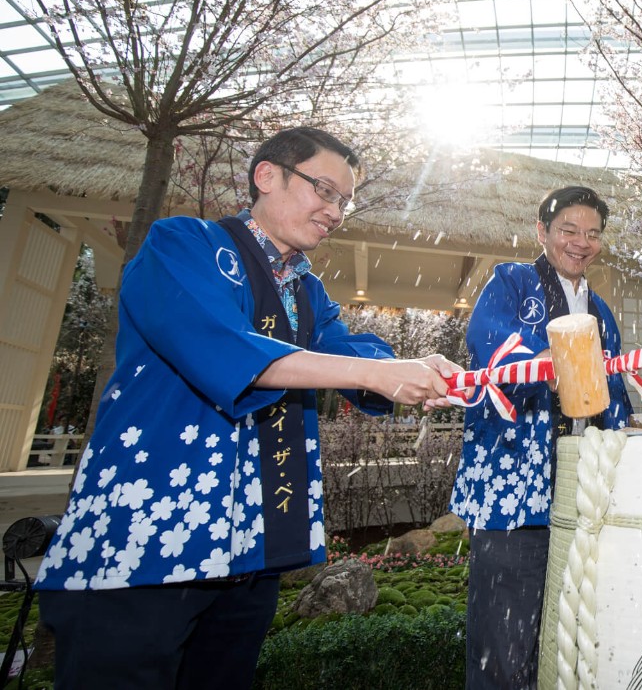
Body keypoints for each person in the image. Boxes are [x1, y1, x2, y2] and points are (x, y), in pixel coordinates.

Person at [34, 127, 461, 689]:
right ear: (267, 176)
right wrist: (374, 372)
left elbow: (352, 354)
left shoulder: (307, 293)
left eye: (344, 201)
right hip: (148, 537)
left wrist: (423, 366)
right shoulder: (181, 244)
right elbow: (226, 346)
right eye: (325, 190)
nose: (336, 211)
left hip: (251, 546)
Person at [449, 185, 633, 689]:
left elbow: (613, 403)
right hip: (515, 489)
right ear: (542, 232)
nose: (581, 242)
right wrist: (557, 362)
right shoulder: (510, 283)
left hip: (579, 492)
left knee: (565, 633)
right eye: (568, 230)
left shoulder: (602, 314)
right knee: (504, 640)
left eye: (592, 234)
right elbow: (490, 346)